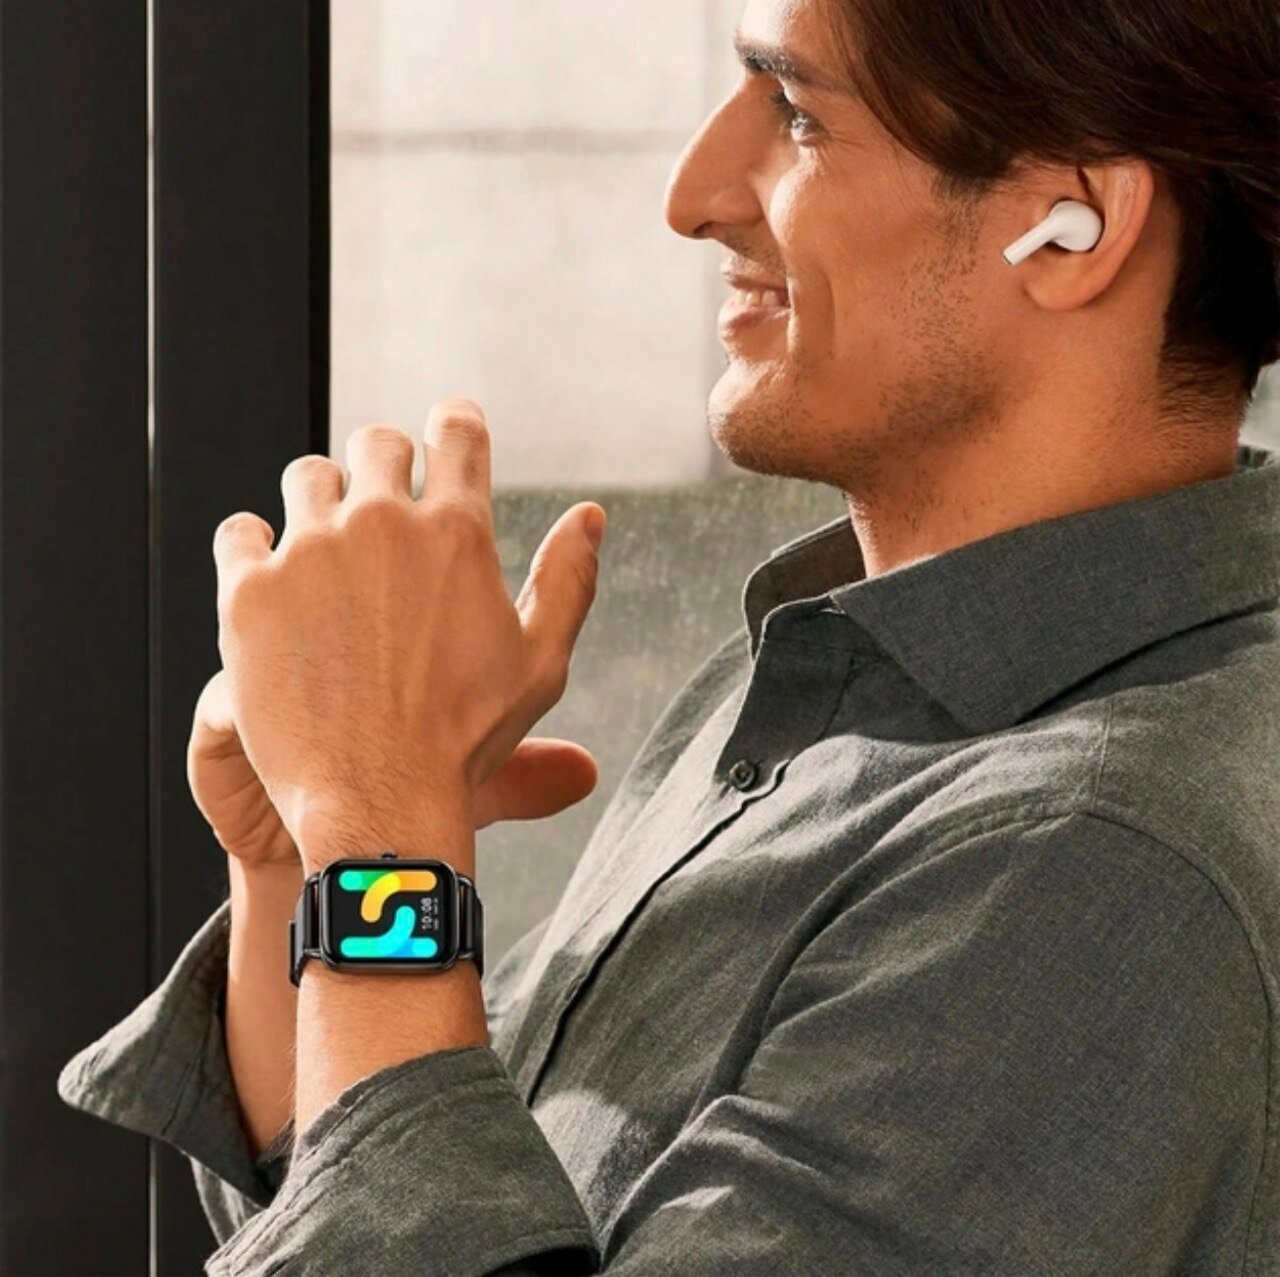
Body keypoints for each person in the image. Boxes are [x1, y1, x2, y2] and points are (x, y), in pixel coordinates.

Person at [57, 0, 1280, 1271]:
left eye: (794, 114)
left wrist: (379, 838)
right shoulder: (827, 682)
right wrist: (302, 858)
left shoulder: (1089, 865)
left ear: (1072, 224)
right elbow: (411, 1201)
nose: (692, 196)